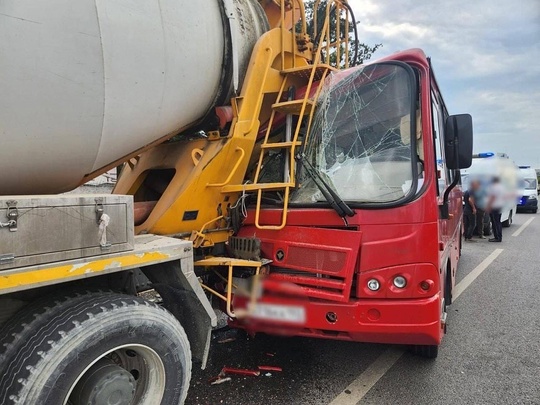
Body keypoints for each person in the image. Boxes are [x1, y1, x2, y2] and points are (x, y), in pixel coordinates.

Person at [487, 177, 504, 242]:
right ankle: (499, 236)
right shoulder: (502, 187)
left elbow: (492, 197)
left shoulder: (494, 187)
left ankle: (497, 237)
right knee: (498, 222)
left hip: (495, 206)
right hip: (500, 205)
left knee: (495, 222)